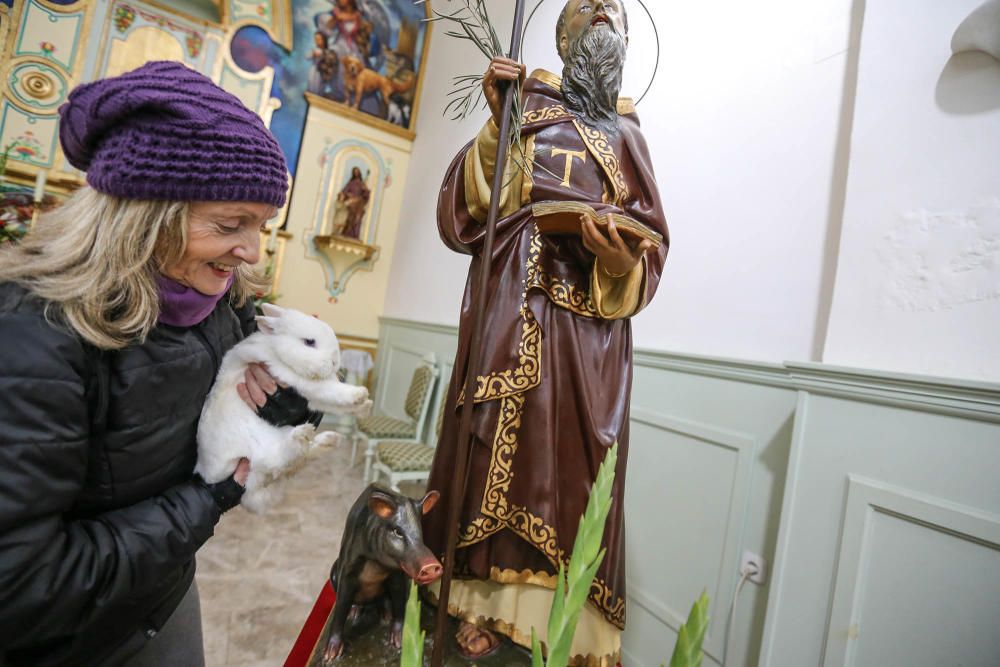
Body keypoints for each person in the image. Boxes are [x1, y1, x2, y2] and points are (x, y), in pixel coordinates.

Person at [0, 61, 316, 666]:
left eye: (261, 225)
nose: (251, 251)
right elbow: (21, 587)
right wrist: (206, 499)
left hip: (163, 596)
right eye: (231, 224)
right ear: (146, 216)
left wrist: (286, 402)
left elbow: (276, 392)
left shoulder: (218, 300)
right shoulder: (31, 337)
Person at [421, 1, 669, 664]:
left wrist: (619, 259)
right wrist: (498, 124)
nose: (600, 13)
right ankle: (472, 620)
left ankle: (553, 638)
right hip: (510, 311)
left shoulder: (627, 135)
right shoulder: (525, 108)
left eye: (610, 11)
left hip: (587, 340)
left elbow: (650, 244)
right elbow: (466, 214)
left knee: (570, 471)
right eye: (584, 8)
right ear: (561, 37)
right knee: (487, 451)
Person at [335, 166, 371, 239]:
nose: (356, 173)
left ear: (359, 173)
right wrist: (348, 195)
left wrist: (366, 190)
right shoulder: (351, 183)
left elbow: (366, 195)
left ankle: (355, 234)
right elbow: (344, 192)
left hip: (358, 203)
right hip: (351, 203)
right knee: (349, 214)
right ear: (353, 174)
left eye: (357, 172)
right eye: (355, 172)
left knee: (358, 215)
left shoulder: (362, 184)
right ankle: (346, 232)